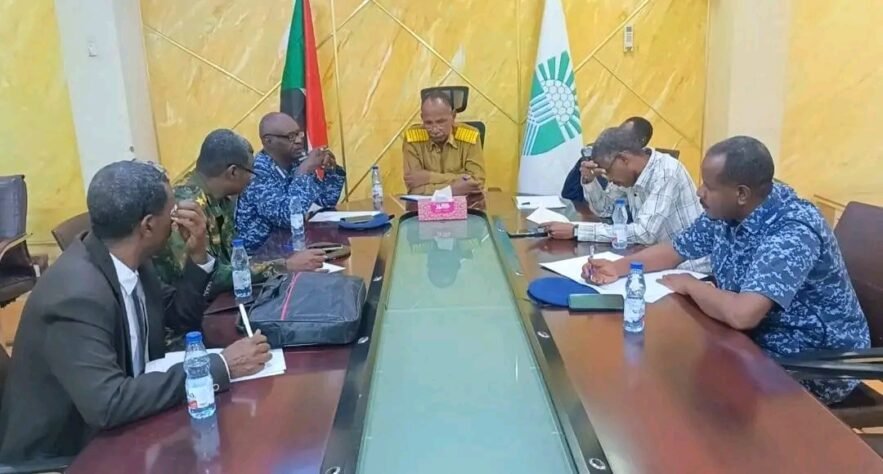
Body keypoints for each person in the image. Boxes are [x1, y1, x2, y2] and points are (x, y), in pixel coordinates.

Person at [0, 161, 271, 462]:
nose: (176, 221)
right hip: (70, 453)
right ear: (148, 226)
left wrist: (198, 256)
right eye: (172, 212)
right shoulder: (76, 296)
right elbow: (108, 403)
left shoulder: (130, 257)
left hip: (128, 423)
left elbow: (178, 318)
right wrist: (218, 365)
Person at [583, 136, 871, 405]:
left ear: (741, 193)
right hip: (754, 341)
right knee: (664, 369)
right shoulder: (726, 210)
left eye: (709, 186)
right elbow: (675, 250)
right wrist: (618, 268)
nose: (699, 192)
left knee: (683, 393)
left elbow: (742, 314)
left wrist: (692, 285)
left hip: (814, 361)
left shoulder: (792, 230)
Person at [152, 129, 325, 298]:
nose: (252, 179)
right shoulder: (187, 208)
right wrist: (285, 265)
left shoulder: (219, 198)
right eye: (250, 172)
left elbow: (231, 263)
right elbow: (207, 278)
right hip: (190, 308)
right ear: (233, 172)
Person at [543, 127, 708, 271]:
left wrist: (577, 231)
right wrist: (590, 181)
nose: (608, 178)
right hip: (655, 261)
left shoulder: (666, 172)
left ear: (624, 159)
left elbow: (644, 233)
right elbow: (605, 210)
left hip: (690, 268)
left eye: (608, 171)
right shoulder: (630, 175)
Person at [235, 112, 345, 252]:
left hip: (293, 247)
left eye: (299, 134)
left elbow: (325, 202)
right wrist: (304, 171)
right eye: (291, 136)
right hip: (261, 257)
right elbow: (288, 217)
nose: (299, 140)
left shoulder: (295, 162)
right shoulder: (257, 172)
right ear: (268, 141)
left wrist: (331, 171)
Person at [402, 90, 485, 195]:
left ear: (453, 116)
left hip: (464, 203)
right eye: (428, 123)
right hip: (426, 203)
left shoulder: (470, 136)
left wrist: (429, 177)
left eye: (441, 122)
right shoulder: (412, 138)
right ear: (422, 118)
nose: (435, 129)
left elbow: (476, 183)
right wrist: (457, 186)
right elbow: (414, 188)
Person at [560, 116, 654, 201]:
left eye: (626, 136)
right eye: (618, 134)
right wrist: (589, 180)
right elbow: (607, 208)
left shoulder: (657, 173)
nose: (619, 139)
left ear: (642, 141)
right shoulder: (599, 157)